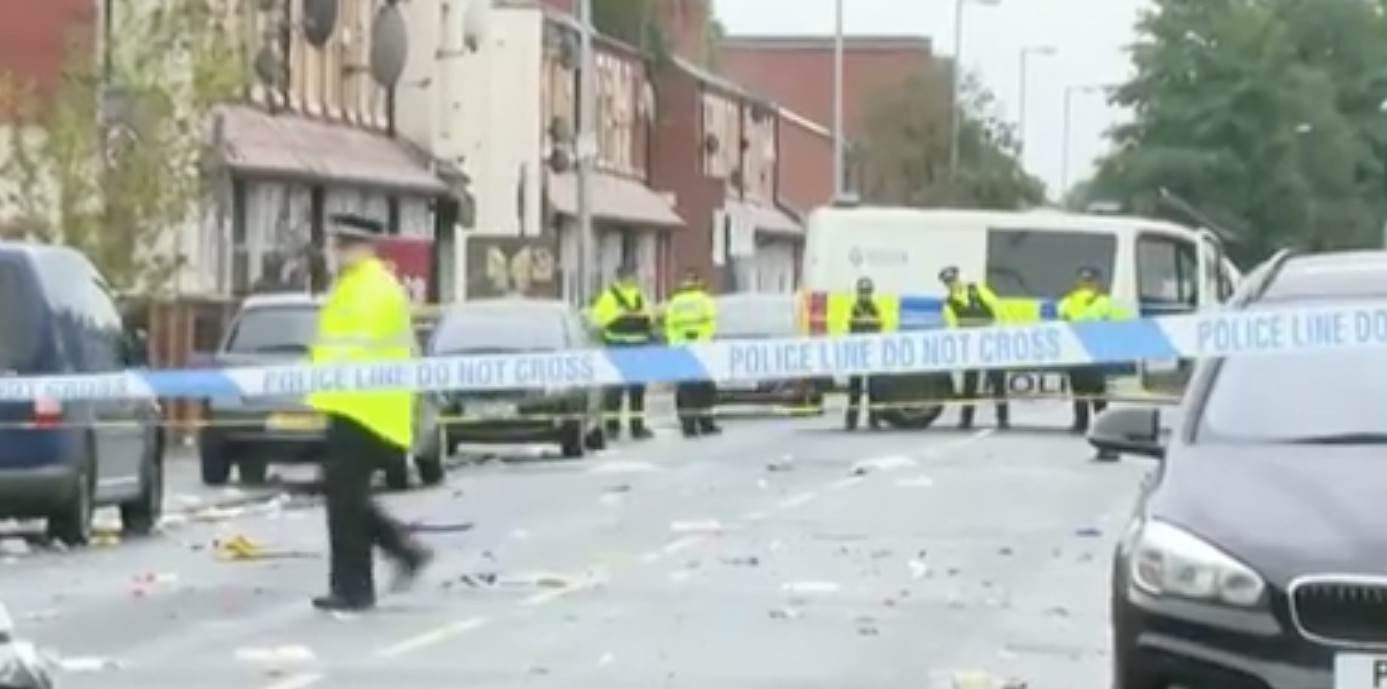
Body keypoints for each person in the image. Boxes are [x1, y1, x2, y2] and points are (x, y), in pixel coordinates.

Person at [307, 213, 432, 612]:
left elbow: (359, 348)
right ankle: (401, 553)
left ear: (355, 246)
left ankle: (355, 587)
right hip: (350, 405)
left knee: (344, 502)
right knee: (346, 499)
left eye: (336, 245)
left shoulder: (372, 289)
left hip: (368, 408)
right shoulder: (351, 286)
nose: (330, 253)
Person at [939, 266, 1009, 430]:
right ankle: (966, 419)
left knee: (998, 381)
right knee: (970, 384)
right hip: (971, 346)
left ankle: (1003, 418)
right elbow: (952, 326)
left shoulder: (977, 290)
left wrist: (1001, 331)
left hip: (991, 342)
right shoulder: (948, 303)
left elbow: (997, 307)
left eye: (954, 280)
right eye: (948, 282)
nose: (952, 284)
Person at [591, 263, 655, 440]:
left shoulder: (639, 295)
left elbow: (650, 315)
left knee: (637, 390)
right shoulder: (609, 296)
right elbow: (597, 320)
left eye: (634, 276)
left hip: (638, 350)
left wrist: (641, 316)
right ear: (621, 277)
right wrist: (619, 315)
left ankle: (637, 427)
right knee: (614, 391)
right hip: (617, 349)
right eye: (630, 276)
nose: (633, 279)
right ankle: (612, 427)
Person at [1058, 266, 1120, 434]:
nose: (1086, 284)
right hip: (1094, 353)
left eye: (1087, 280)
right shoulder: (1104, 303)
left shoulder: (1066, 302)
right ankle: (1101, 424)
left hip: (1077, 353)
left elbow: (1060, 323)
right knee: (1096, 391)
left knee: (1080, 390)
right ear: (1097, 283)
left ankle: (1081, 423)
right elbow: (1114, 326)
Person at [664, 270, 720, 437]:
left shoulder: (675, 302)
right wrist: (705, 340)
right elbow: (711, 321)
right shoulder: (704, 299)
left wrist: (675, 343)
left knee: (685, 389)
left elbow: (669, 324)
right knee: (705, 389)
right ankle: (706, 424)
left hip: (681, 348)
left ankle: (688, 426)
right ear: (698, 282)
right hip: (701, 347)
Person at [845, 277, 883, 431]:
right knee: (855, 390)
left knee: (874, 389)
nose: (865, 295)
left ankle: (874, 419)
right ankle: (851, 421)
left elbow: (880, 326)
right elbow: (849, 326)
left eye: (867, 292)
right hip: (857, 354)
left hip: (871, 353)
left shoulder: (874, 307)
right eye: (862, 292)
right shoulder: (854, 307)